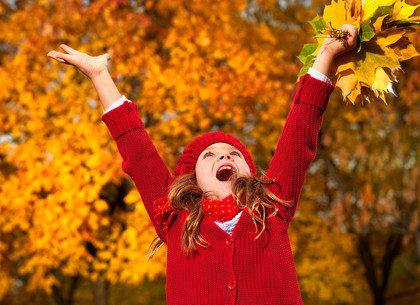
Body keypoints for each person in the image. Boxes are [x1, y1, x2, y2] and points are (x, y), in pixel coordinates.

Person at [48, 24, 357, 304]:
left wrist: (327, 53)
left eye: (234, 154)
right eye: (209, 155)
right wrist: (100, 76)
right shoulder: (174, 221)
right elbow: (138, 154)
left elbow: (299, 134)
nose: (224, 156)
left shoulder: (272, 206)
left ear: (251, 173)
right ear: (193, 181)